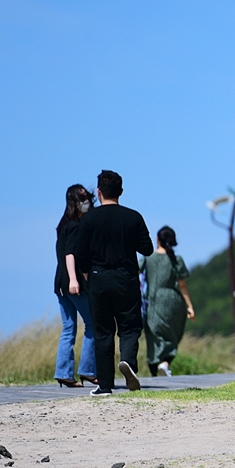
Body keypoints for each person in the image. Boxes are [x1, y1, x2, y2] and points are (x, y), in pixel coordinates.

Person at [76, 170, 154, 396]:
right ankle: (128, 361)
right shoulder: (133, 217)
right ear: (121, 192)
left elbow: (81, 252)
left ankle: (105, 385)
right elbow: (147, 249)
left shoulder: (88, 219)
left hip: (98, 278)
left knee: (103, 332)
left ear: (99, 192)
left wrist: (88, 275)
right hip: (126, 278)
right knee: (129, 327)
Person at [53, 184, 98, 388]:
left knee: (69, 328)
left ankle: (64, 373)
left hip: (60, 282)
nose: (87, 202)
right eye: (83, 199)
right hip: (73, 282)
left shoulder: (63, 225)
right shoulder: (75, 226)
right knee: (92, 324)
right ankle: (88, 370)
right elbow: (70, 254)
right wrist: (74, 279)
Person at [141, 226, 195, 377]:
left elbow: (136, 273)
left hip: (152, 300)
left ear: (157, 239)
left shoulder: (148, 258)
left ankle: (154, 367)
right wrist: (189, 306)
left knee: (153, 335)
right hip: (173, 301)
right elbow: (182, 285)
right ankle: (165, 363)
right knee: (172, 334)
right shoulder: (176, 259)